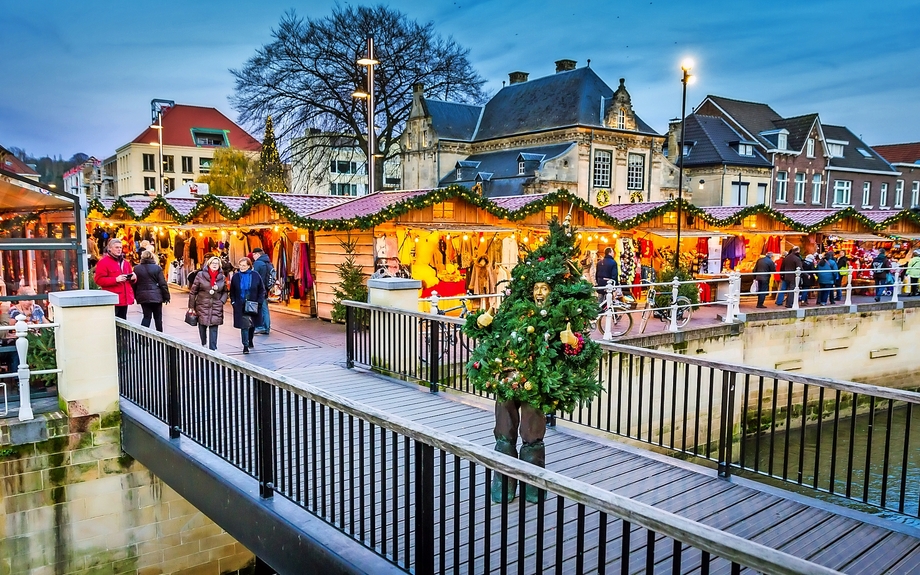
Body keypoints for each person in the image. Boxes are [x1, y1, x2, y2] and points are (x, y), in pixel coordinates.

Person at [188, 256, 228, 351]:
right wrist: (191, 306)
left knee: (214, 326)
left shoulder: (221, 277)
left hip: (216, 305)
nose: (215, 265)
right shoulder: (200, 275)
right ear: (209, 264)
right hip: (202, 304)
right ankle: (204, 343)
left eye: (217, 263)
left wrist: (222, 301)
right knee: (202, 324)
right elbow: (193, 291)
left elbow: (225, 291)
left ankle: (213, 349)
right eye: (213, 263)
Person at [229, 257, 266, 355]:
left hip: (253, 303)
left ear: (249, 266)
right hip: (240, 304)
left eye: (244, 265)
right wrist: (233, 302)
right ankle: (245, 345)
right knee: (244, 325)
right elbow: (232, 291)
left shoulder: (255, 275)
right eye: (240, 265)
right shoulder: (236, 277)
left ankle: (250, 340)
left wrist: (259, 302)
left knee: (252, 324)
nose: (242, 267)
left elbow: (261, 290)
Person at [94, 238, 135, 319]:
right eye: (116, 247)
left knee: (123, 323)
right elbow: (98, 280)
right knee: (112, 324)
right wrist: (115, 279)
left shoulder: (126, 263)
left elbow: (130, 280)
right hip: (113, 300)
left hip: (125, 299)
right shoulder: (103, 263)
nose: (119, 249)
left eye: (120, 247)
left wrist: (133, 278)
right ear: (110, 249)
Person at [132, 250, 170, 332]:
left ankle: (142, 336)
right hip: (156, 296)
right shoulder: (157, 268)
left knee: (146, 317)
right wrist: (166, 297)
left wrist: (136, 295)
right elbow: (163, 284)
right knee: (158, 318)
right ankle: (160, 337)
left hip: (143, 296)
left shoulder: (136, 269)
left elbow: (134, 283)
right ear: (152, 257)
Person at [250, 248, 275, 335]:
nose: (253, 257)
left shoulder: (258, 264)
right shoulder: (268, 262)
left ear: (257, 254)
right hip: (265, 289)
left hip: (258, 289)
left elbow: (254, 277)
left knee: (260, 308)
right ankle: (267, 327)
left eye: (253, 255)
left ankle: (261, 327)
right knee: (264, 308)